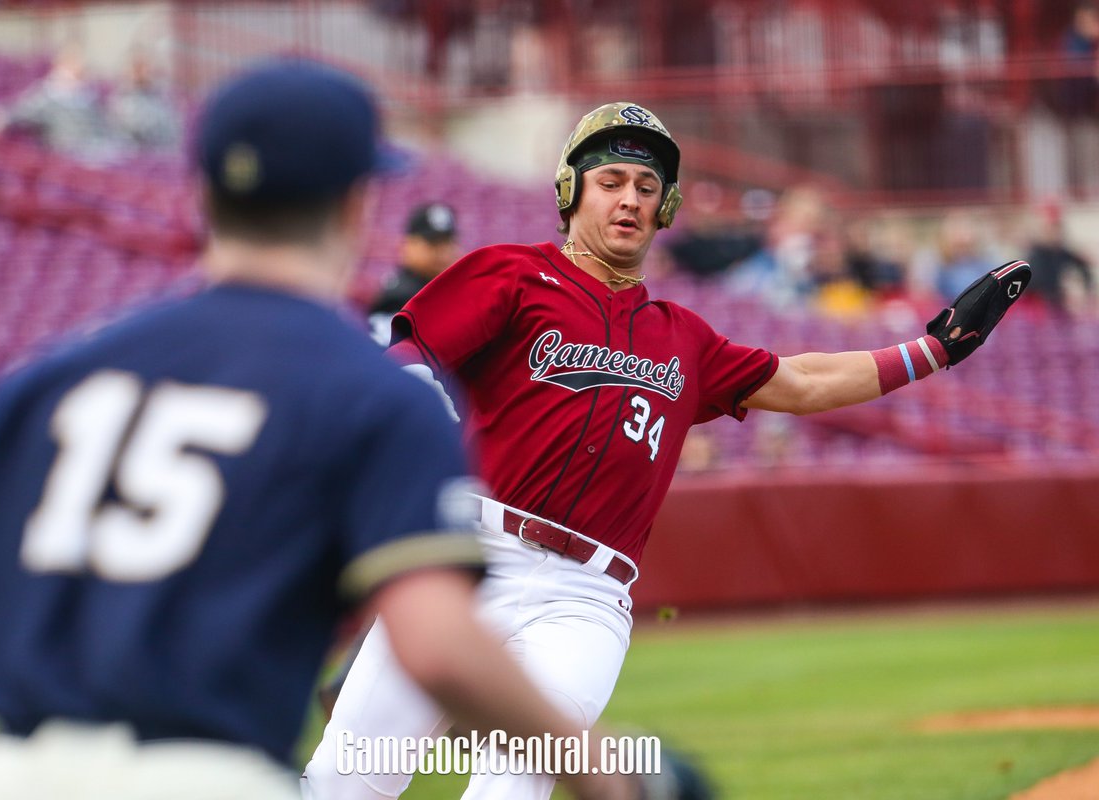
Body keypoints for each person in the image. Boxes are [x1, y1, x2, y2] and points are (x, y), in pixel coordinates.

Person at [0, 62, 636, 800]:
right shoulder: (376, 398)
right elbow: (439, 648)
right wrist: (616, 780)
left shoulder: (50, 375)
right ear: (354, 204)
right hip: (204, 773)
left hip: (11, 775)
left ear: (205, 195)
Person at [304, 101, 1031, 800]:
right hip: (470, 558)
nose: (629, 198)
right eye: (611, 180)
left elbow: (803, 382)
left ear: (666, 208)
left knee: (516, 782)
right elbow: (410, 356)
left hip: (584, 599)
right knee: (346, 778)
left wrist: (932, 351)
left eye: (647, 187)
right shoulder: (512, 273)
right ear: (570, 191)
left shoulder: (684, 337)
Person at [367, 202, 460, 344]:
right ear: (408, 245)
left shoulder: (450, 288)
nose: (443, 252)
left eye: (447, 243)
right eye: (433, 244)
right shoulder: (399, 297)